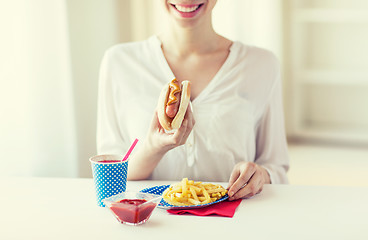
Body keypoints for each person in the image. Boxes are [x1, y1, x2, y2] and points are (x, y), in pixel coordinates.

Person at [97, 0, 289, 201]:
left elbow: (276, 168)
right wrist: (153, 147)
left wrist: (259, 175)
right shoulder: (119, 62)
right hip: (151, 227)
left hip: (234, 224)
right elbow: (109, 178)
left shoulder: (261, 64)